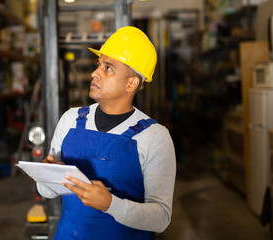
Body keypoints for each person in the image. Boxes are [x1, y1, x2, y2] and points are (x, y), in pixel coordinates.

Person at [37, 26, 176, 240]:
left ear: (131, 83)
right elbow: (46, 192)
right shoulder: (70, 120)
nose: (95, 73)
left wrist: (111, 205)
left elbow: (161, 218)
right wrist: (45, 175)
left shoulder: (154, 137)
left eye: (108, 67)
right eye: (98, 64)